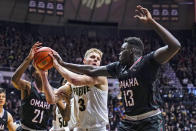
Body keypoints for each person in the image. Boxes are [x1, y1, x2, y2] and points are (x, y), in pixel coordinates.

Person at [53, 5, 181, 131]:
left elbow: (175, 46)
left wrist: (152, 22)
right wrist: (64, 63)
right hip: (129, 121)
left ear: (132, 51)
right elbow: (91, 70)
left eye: (122, 50)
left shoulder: (148, 61)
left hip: (150, 119)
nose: (119, 53)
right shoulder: (119, 67)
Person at [39, 48, 109, 131]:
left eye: (98, 59)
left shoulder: (101, 77)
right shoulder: (72, 84)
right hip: (79, 128)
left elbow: (75, 80)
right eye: (92, 57)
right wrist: (43, 75)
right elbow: (51, 99)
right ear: (84, 61)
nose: (95, 60)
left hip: (97, 128)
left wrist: (57, 64)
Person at [11, 42, 55, 131]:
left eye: (46, 70)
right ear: (33, 74)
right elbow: (14, 80)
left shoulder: (52, 92)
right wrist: (28, 58)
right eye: (39, 69)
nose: (44, 71)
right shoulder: (28, 87)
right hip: (25, 129)